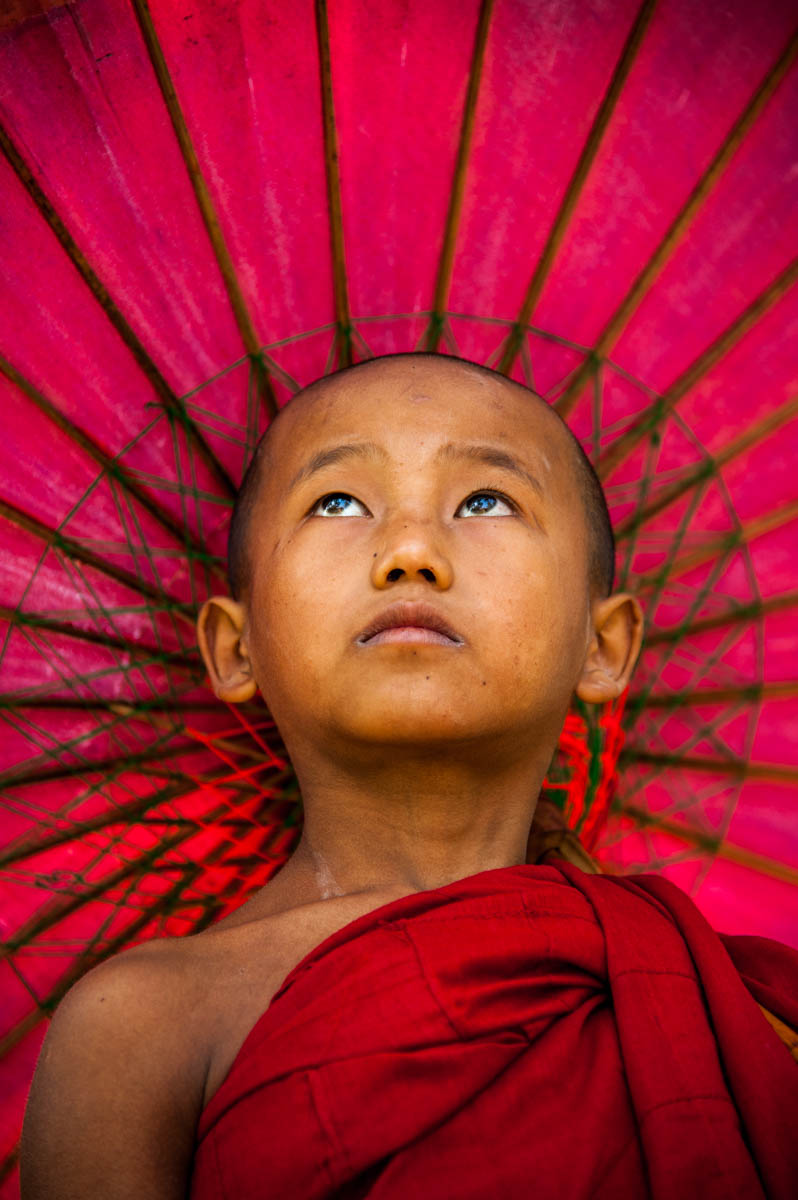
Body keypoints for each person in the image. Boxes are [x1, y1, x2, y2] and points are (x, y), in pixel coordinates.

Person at [20, 353, 798, 1199]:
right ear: (235, 647)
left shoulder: (735, 1017)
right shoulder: (145, 1023)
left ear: (601, 644)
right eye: (338, 502)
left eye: (485, 500)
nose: (411, 552)